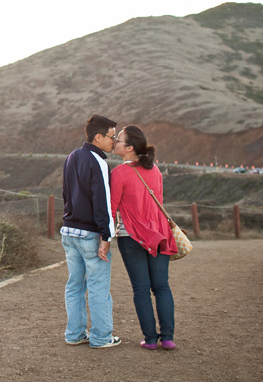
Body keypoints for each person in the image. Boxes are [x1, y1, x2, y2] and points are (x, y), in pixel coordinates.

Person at [110, 125, 177, 350]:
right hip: (159, 234)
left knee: (141, 289)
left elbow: (111, 208)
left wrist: (105, 236)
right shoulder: (155, 170)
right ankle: (167, 338)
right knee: (162, 287)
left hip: (131, 236)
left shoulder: (119, 173)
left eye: (118, 140)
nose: (114, 142)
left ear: (129, 148)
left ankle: (150, 339)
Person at [61, 115, 121, 348]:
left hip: (68, 230)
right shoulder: (98, 161)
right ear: (98, 137)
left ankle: (74, 334)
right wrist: (107, 236)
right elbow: (102, 203)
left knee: (74, 285)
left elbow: (67, 194)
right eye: (111, 137)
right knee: (98, 286)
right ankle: (101, 337)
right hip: (89, 234)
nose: (113, 142)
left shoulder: (71, 157)